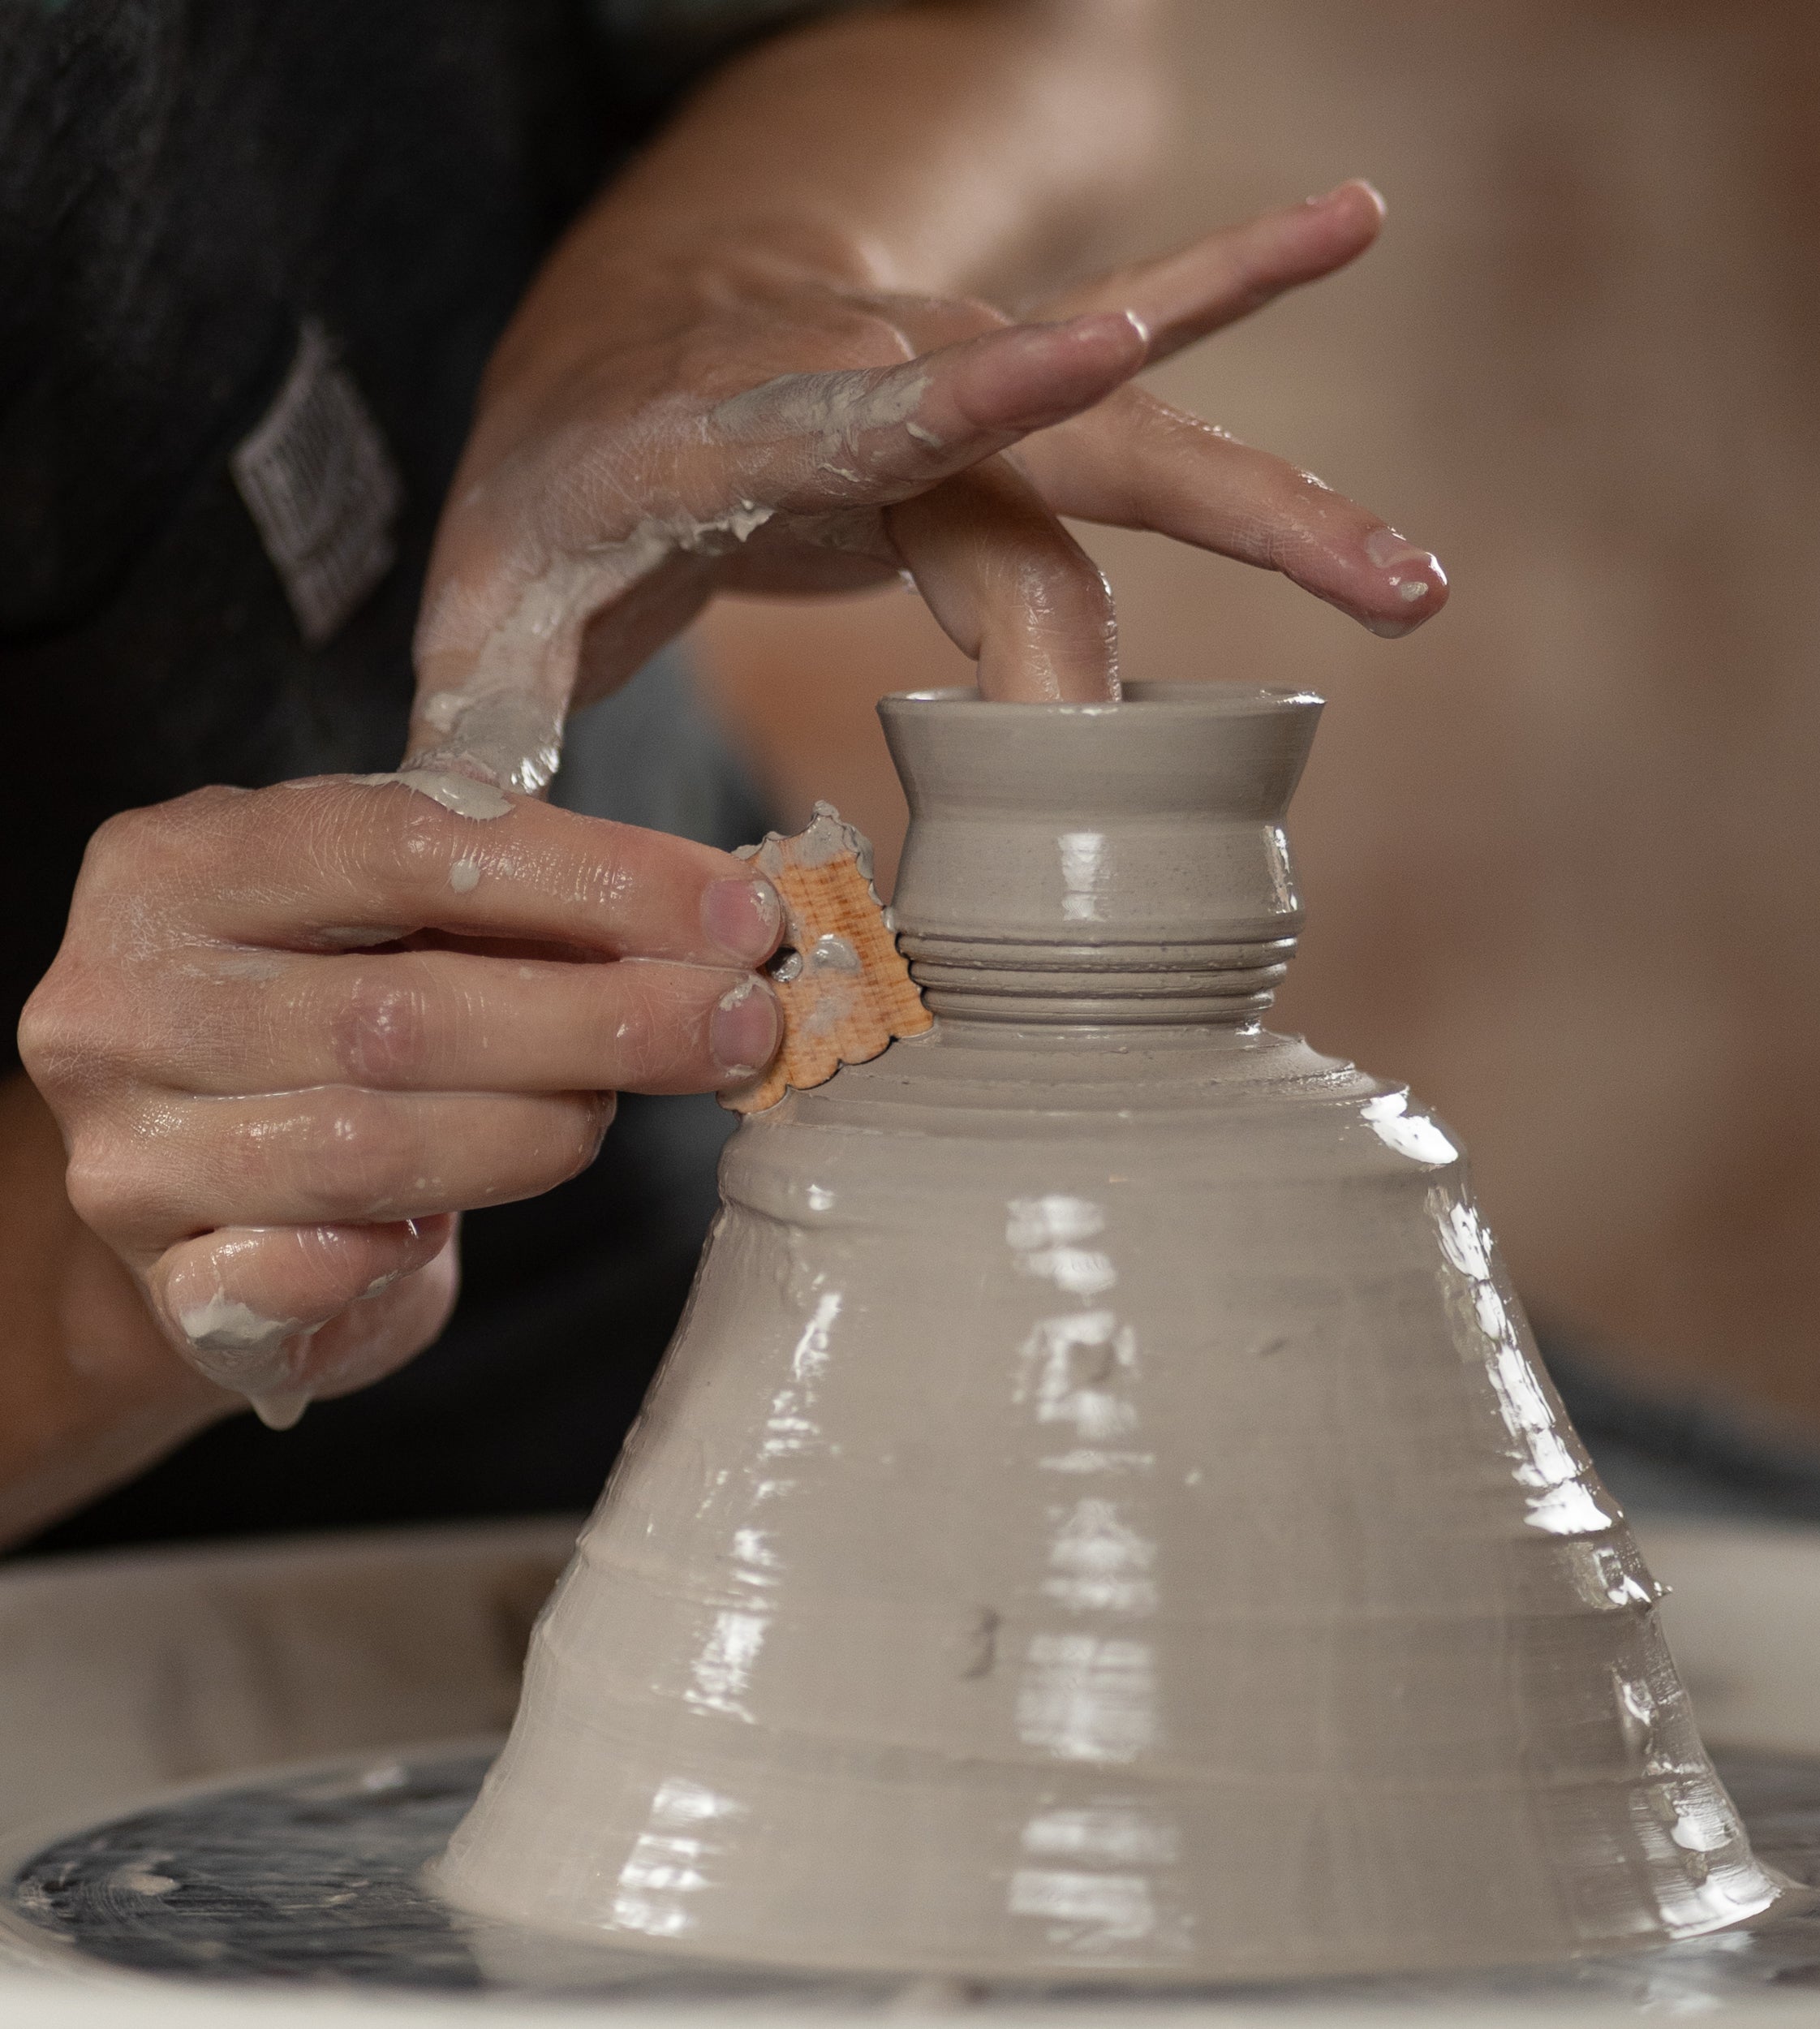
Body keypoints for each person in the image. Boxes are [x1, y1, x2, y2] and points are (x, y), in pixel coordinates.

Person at [0, 0, 1446, 1553]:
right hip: (136, 1475)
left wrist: (706, 283)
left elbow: (1013, 29)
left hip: (722, 1217)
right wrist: (107, 1302)